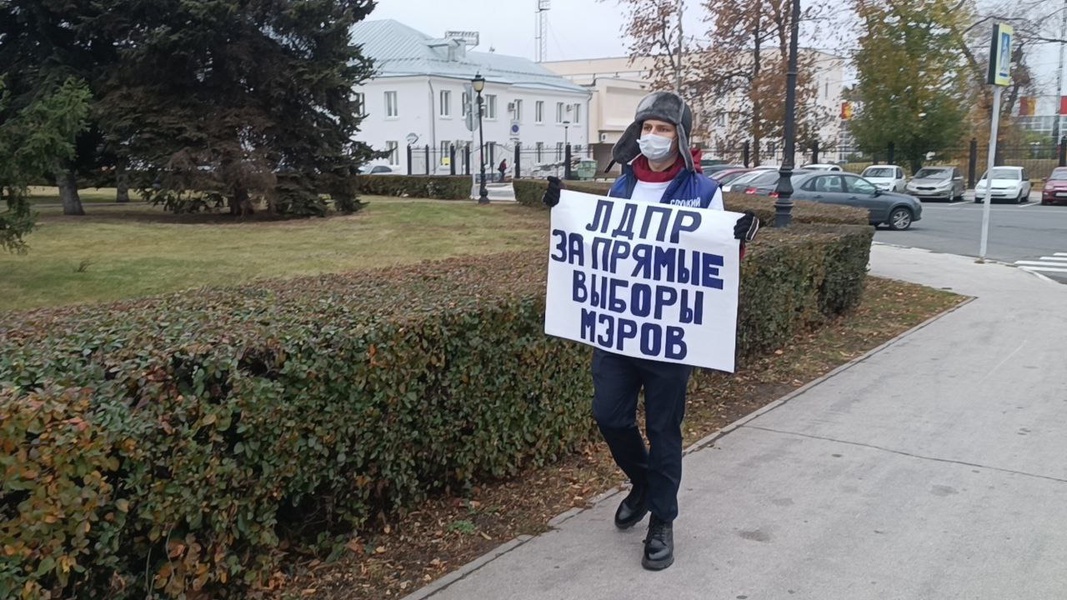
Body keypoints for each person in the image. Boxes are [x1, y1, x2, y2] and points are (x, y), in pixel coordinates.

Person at [541, 91, 759, 571]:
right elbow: (596, 246)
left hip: (669, 335)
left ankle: (662, 519)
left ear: (680, 138)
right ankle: (643, 483)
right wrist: (561, 210)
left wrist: (739, 240)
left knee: (664, 430)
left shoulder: (703, 191)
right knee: (609, 415)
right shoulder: (622, 188)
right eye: (647, 127)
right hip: (619, 331)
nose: (654, 137)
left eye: (664, 129)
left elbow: (716, 261)